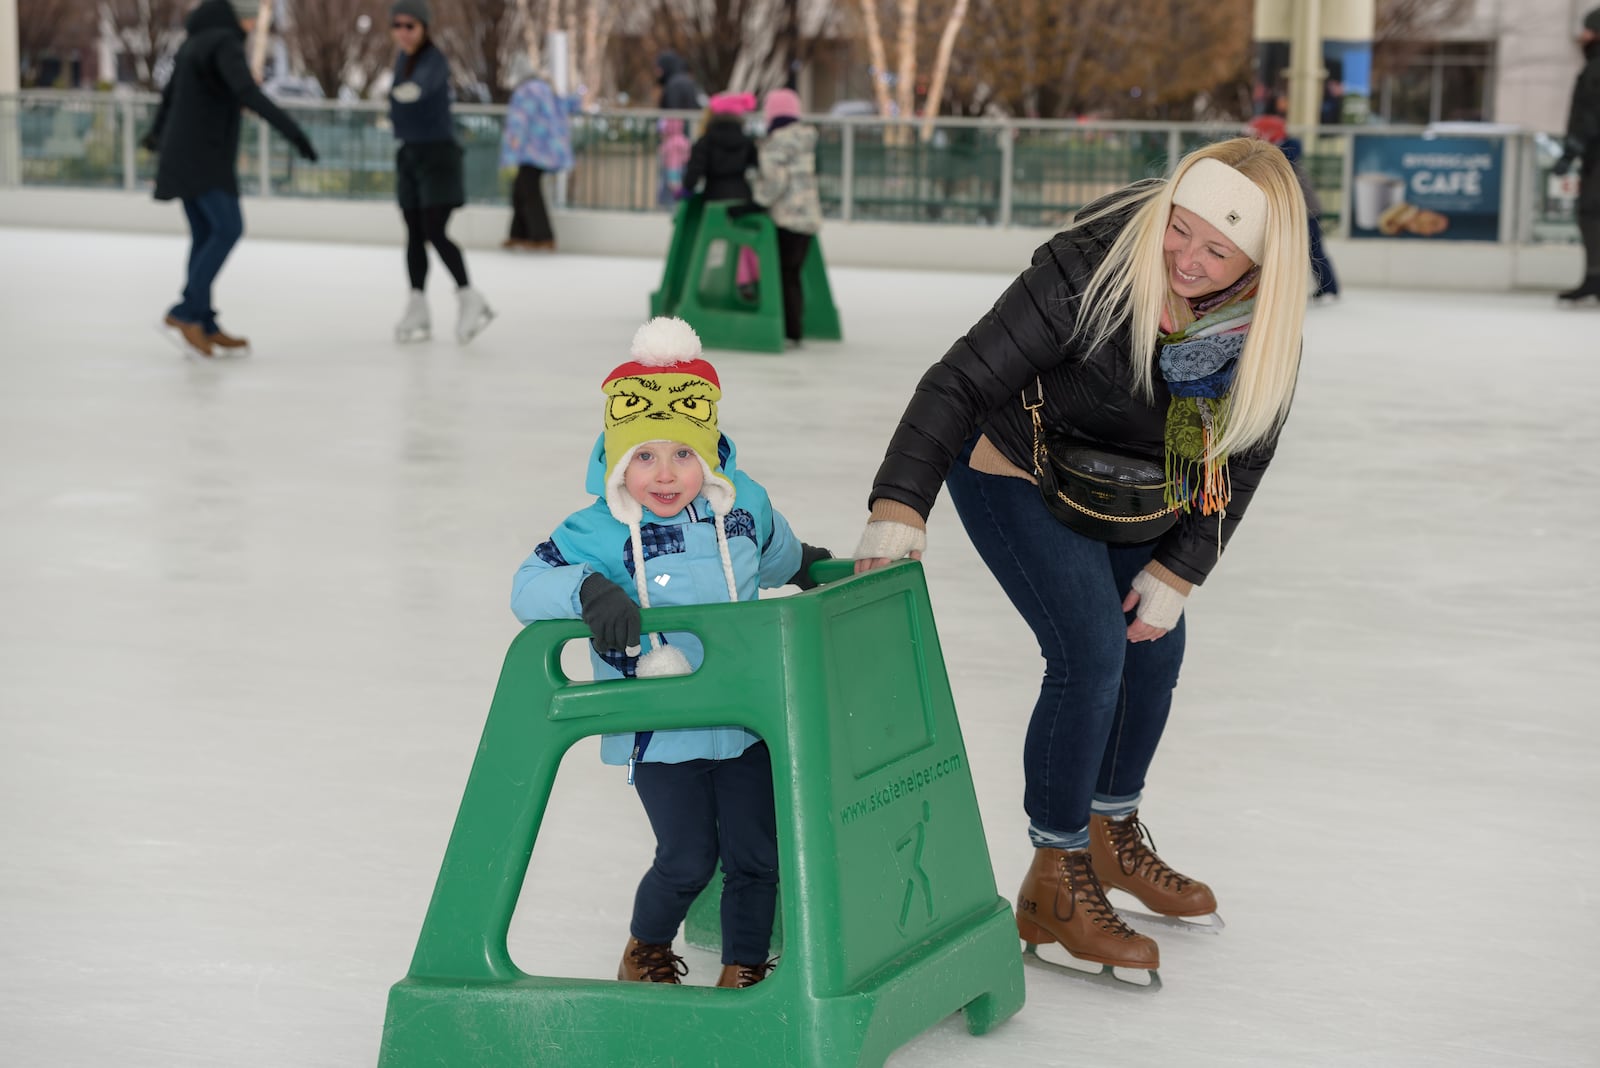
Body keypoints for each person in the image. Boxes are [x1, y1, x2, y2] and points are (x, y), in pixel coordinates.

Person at [853, 137, 1309, 983]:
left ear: (1258, 268)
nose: (1188, 259)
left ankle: (1110, 828)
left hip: (1131, 485)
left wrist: (1179, 571)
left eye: (1219, 251)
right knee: (1090, 652)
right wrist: (899, 504)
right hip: (1015, 463)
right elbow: (959, 380)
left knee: (1153, 643)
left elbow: (1239, 460)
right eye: (1181, 230)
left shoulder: (1260, 333)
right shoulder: (1088, 268)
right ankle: (1055, 879)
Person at [509, 317, 831, 989]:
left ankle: (745, 967)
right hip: (662, 726)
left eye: (683, 455)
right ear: (618, 460)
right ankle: (645, 950)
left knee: (757, 855)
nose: (665, 474)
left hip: (747, 718)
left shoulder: (744, 505)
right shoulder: (596, 529)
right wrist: (588, 589)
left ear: (710, 454)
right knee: (687, 858)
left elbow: (778, 555)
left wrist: (811, 567)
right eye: (645, 457)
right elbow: (526, 585)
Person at [142, 0, 318, 359]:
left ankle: (203, 322)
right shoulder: (224, 43)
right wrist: (295, 134)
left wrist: (155, 136)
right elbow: (247, 92)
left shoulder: (193, 43)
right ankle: (186, 311)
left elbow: (170, 96)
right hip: (205, 155)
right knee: (227, 228)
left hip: (181, 153)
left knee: (205, 234)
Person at [386, 0, 494, 345]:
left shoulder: (435, 60)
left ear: (424, 28)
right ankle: (417, 303)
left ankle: (469, 297)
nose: (403, 32)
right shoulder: (403, 59)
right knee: (414, 231)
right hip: (410, 154)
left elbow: (419, 90)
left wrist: (402, 95)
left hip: (438, 156)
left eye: (410, 26)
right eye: (397, 25)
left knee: (435, 229)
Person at [749, 89, 823, 345]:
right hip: (808, 218)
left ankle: (788, 329)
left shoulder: (777, 142)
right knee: (793, 273)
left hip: (787, 218)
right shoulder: (806, 139)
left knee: (781, 274)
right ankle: (794, 327)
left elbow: (775, 180)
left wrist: (757, 200)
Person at [1249, 113, 1339, 301]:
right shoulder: (1278, 151)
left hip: (1306, 211)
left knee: (1315, 250)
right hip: (1292, 211)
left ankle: (1329, 287)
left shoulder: (1285, 152)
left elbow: (1280, 162)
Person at [499, 58, 575, 252]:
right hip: (545, 148)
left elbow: (520, 119)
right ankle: (520, 234)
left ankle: (541, 236)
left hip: (532, 149)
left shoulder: (526, 91)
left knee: (528, 190)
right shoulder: (543, 88)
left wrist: (514, 143)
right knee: (521, 189)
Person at [1555, 7, 1600, 303]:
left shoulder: (1595, 69)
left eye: (1587, 30)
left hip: (1597, 157)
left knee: (1593, 214)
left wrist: (1571, 152)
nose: (1581, 36)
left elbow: (1588, 115)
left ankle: (1595, 278)